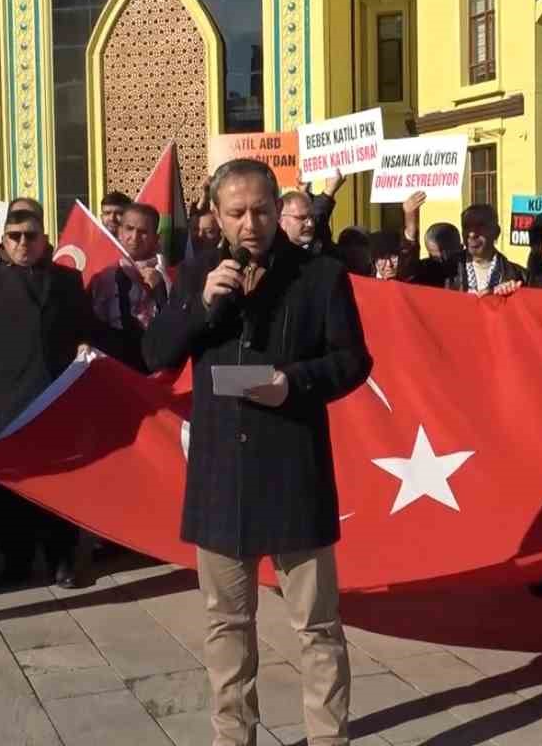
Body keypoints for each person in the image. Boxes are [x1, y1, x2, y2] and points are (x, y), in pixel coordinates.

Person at [144, 158, 371, 746]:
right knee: (226, 623)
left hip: (295, 467)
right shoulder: (197, 273)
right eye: (237, 212)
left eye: (262, 210)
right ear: (216, 216)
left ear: (279, 207)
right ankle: (233, 735)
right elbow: (155, 352)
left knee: (318, 625)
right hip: (222, 474)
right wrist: (201, 306)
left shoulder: (321, 275)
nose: (251, 223)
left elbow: (352, 361)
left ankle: (327, 736)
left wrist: (293, 383)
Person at [0, 208, 99, 590]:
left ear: (45, 240)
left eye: (31, 235)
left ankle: (63, 560)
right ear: (4, 242)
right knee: (7, 492)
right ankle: (15, 563)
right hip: (4, 404)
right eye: (15, 236)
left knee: (60, 485)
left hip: (57, 399)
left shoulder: (68, 280)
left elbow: (85, 329)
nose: (23, 243)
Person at [88, 202, 169, 374]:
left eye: (143, 232)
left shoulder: (169, 275)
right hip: (111, 359)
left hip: (152, 359)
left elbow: (177, 321)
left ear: (156, 237)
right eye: (129, 229)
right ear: (119, 232)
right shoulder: (103, 273)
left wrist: (160, 290)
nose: (134, 237)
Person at [445, 204, 526, 294]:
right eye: (466, 227)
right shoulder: (445, 272)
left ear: (496, 232)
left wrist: (511, 295)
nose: (472, 234)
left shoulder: (520, 277)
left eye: (480, 227)